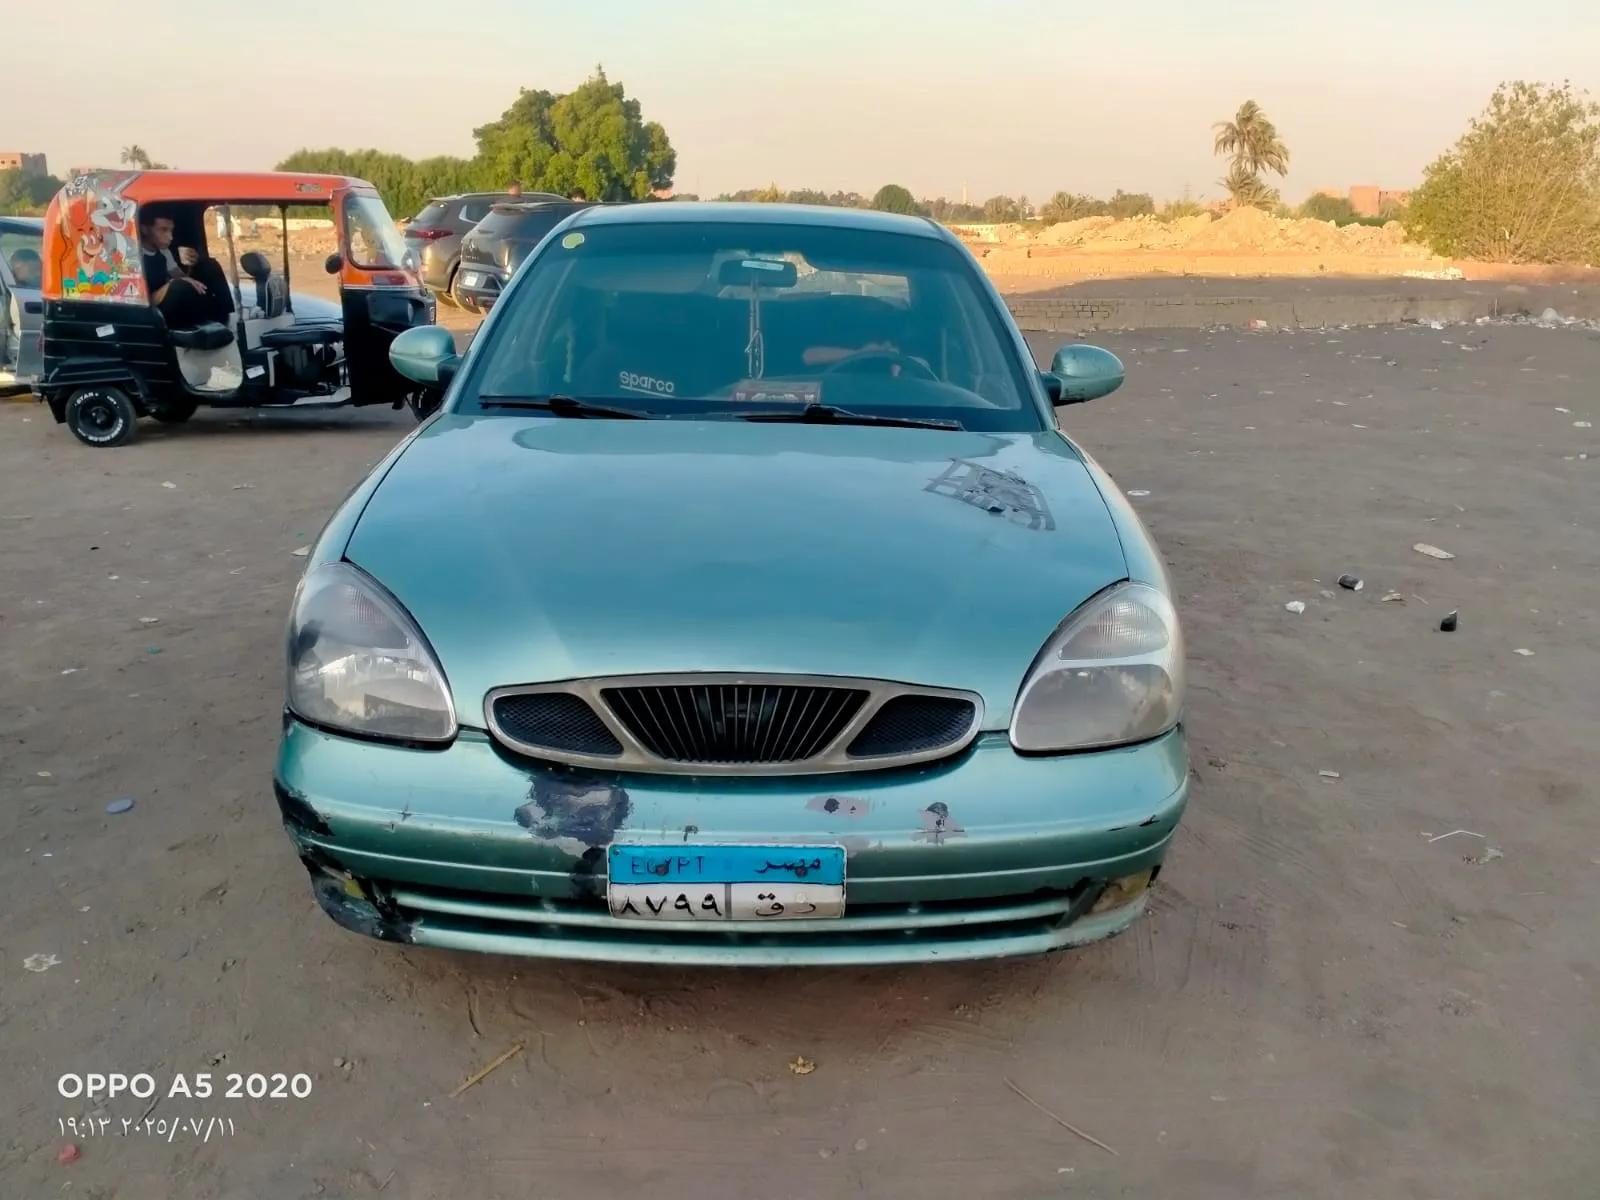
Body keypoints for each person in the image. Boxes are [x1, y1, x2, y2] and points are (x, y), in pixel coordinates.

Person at [139, 214, 232, 329]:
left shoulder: (164, 252)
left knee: (209, 266)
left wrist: (191, 266)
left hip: (169, 300)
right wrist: (173, 283)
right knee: (178, 286)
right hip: (150, 310)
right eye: (163, 230)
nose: (170, 237)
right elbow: (142, 300)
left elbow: (180, 276)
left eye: (171, 231)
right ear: (145, 229)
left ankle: (223, 318)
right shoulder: (134, 256)